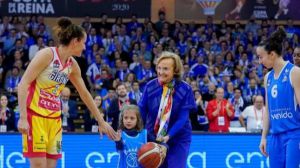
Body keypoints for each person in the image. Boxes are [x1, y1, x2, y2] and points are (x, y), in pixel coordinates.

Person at [17, 17, 116, 168]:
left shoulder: (72, 65)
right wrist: (23, 117)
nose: (84, 47)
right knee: (38, 165)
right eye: (83, 42)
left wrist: (101, 121)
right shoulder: (47, 54)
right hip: (35, 116)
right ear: (75, 41)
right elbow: (24, 83)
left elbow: (84, 93)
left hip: (55, 119)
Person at [139, 51, 196, 168]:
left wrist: (168, 136)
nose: (160, 72)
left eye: (165, 69)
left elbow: (183, 118)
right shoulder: (150, 86)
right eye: (159, 68)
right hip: (153, 136)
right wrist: (139, 132)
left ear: (175, 70)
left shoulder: (185, 89)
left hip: (178, 138)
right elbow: (142, 112)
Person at [257, 27, 300, 168]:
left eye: (261, 57)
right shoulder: (267, 77)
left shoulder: (294, 72)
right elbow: (268, 110)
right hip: (275, 137)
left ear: (272, 55)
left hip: (293, 134)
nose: (259, 61)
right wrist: (263, 137)